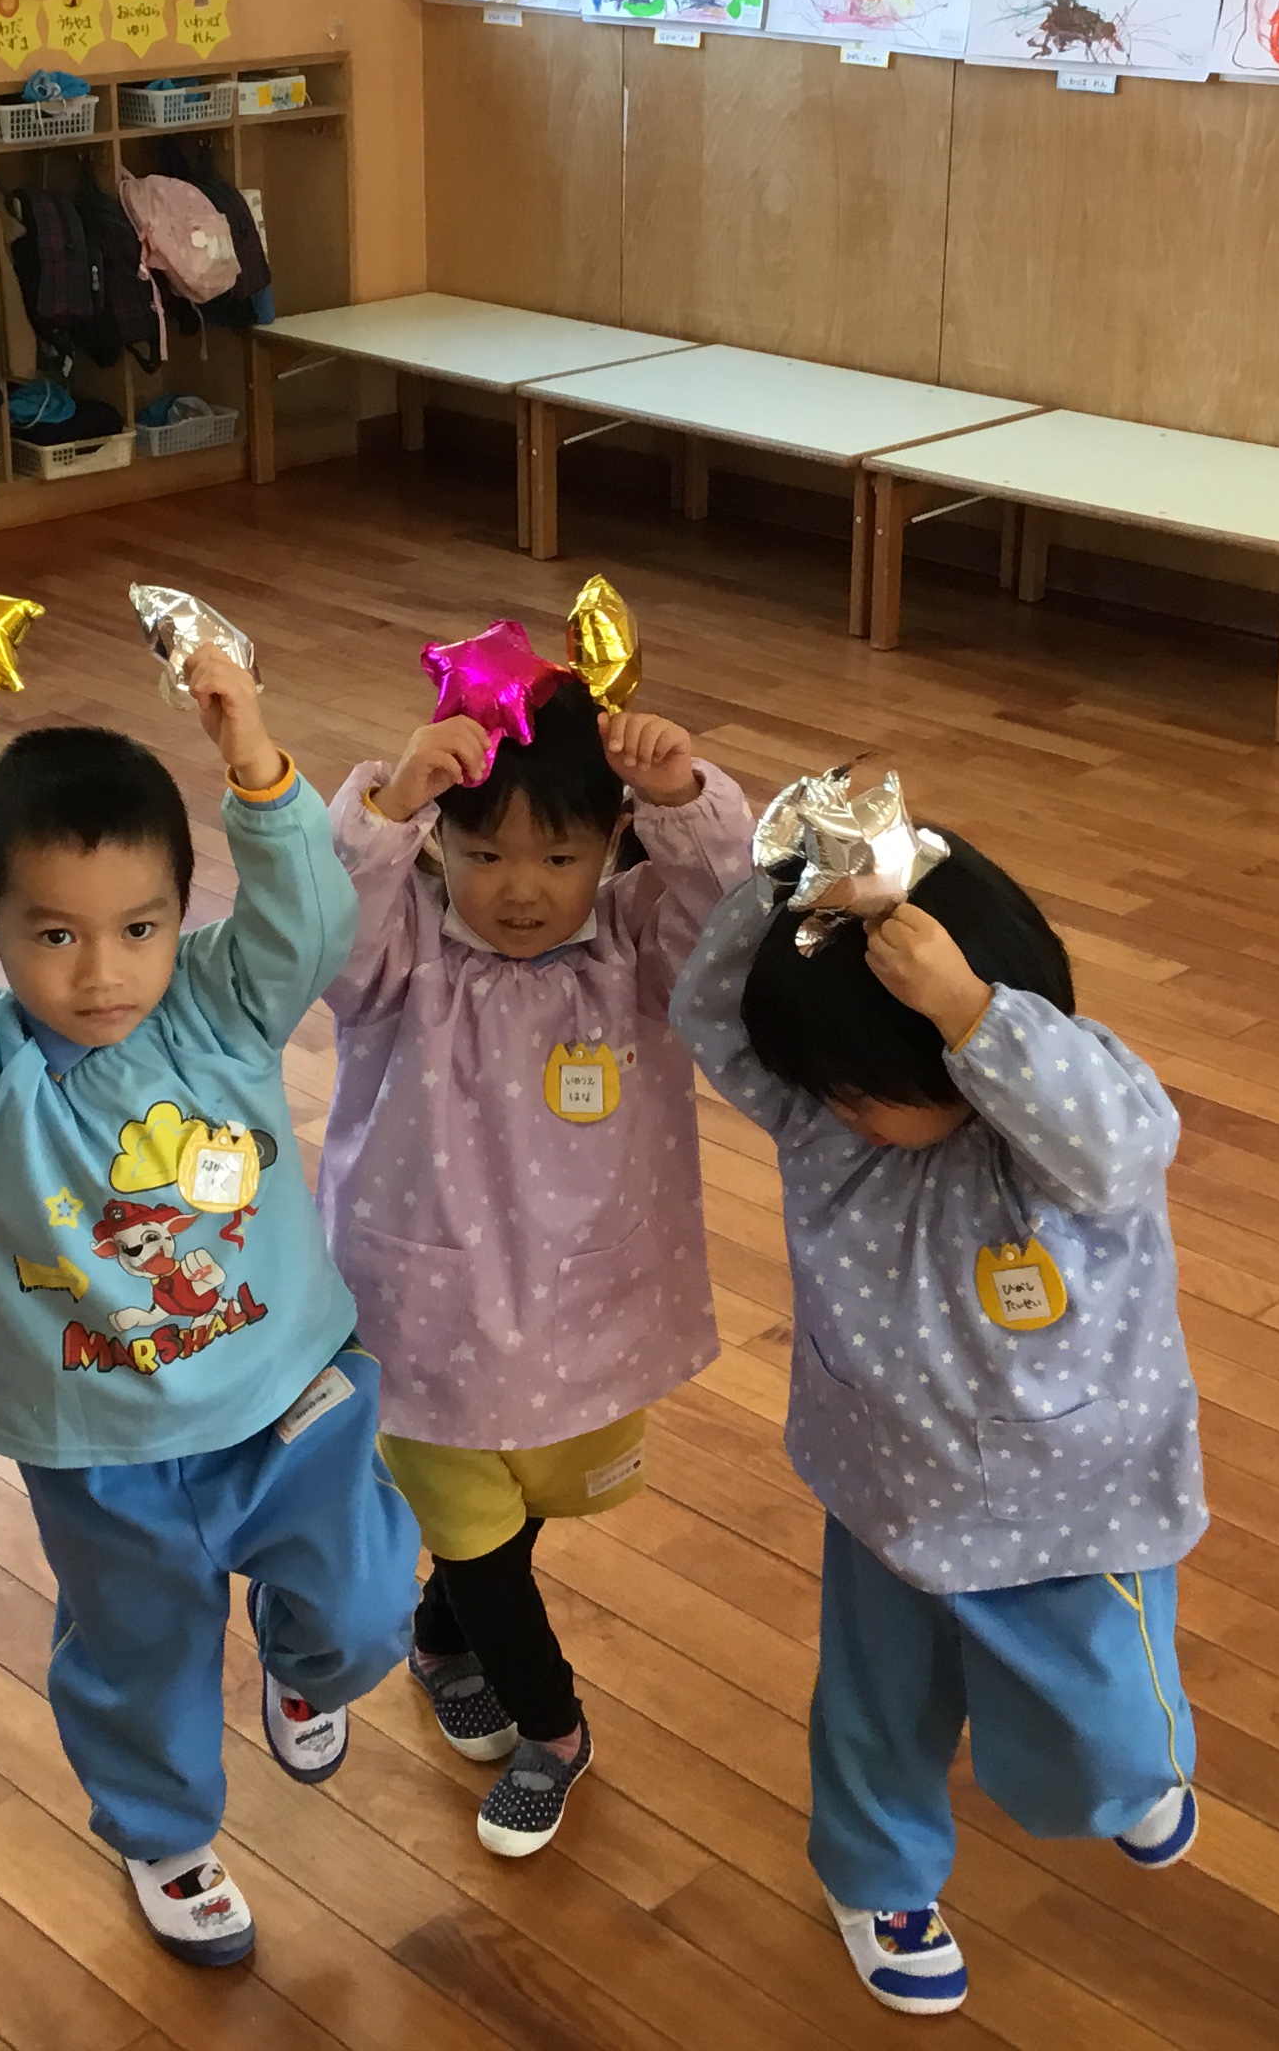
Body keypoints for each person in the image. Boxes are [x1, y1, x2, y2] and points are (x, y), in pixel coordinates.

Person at [0, 644, 416, 1969]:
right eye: (55, 934)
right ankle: (164, 1836)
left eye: (140, 928)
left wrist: (254, 759)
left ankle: (300, 1663)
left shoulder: (219, 1005)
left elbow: (312, 923)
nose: (104, 972)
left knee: (368, 1613)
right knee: (140, 1660)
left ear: (180, 913)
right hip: (99, 1453)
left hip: (287, 1396)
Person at [672, 811, 1206, 2019]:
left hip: (1074, 1515)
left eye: (870, 1088)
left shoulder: (1057, 1144)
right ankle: (878, 1880)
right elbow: (712, 1013)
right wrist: (792, 879)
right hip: (888, 1497)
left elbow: (1129, 1143)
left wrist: (971, 1011)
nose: (845, 1109)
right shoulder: (826, 1128)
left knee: (1113, 1744)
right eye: (833, 1090)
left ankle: (1127, 1780)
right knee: (875, 1718)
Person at [322, 674, 751, 1856]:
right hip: (425, 1309)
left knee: (535, 1500)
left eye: (559, 857)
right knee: (474, 1529)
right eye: (482, 853)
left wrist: (684, 799)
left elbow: (741, 928)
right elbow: (317, 935)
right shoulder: (401, 952)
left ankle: (442, 1639)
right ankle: (552, 1729)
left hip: (585, 1308)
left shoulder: (637, 944)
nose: (520, 889)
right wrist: (386, 805)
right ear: (439, 844)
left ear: (610, 842)